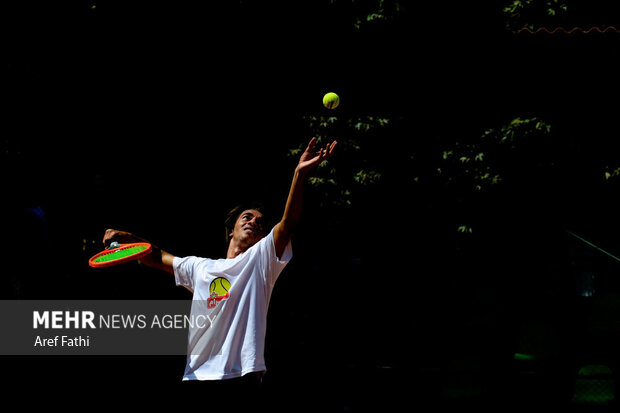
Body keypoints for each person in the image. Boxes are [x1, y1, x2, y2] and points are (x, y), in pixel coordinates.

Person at [101, 138, 336, 405]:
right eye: (247, 217)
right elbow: (156, 255)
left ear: (263, 238)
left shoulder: (261, 260)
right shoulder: (201, 267)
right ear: (232, 229)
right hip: (197, 378)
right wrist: (128, 237)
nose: (254, 222)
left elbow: (288, 222)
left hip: (242, 377)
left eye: (260, 222)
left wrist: (299, 173)